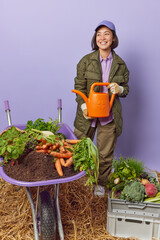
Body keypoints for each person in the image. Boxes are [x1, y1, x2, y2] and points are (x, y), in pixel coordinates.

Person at [73, 20, 129, 196]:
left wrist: (119, 89)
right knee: (79, 150)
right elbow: (79, 89)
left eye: (106, 34)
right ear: (95, 38)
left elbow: (126, 89)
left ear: (113, 38)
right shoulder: (85, 61)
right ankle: (75, 183)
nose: (102, 38)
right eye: (99, 34)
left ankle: (100, 184)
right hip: (87, 115)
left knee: (105, 155)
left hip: (109, 114)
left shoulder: (120, 64)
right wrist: (83, 106)